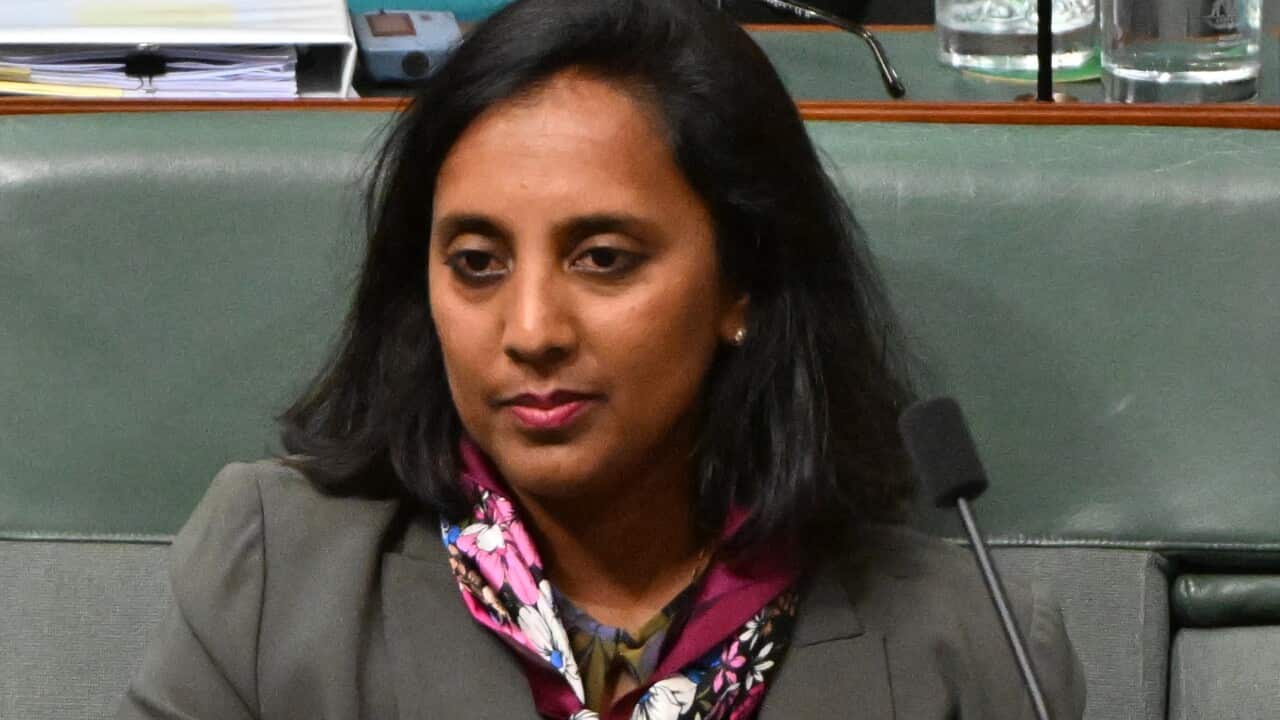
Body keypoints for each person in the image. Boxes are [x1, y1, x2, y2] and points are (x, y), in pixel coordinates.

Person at [117, 0, 1085, 718]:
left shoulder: (970, 649)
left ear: (739, 283)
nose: (531, 328)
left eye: (602, 260)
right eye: (475, 264)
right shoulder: (272, 574)